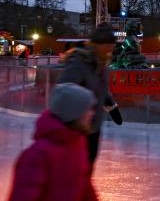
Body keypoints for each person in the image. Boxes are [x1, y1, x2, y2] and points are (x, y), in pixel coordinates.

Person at [9, 83, 98, 201]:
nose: (92, 113)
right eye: (87, 110)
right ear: (73, 114)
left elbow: (84, 186)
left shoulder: (78, 143)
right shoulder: (38, 155)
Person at [58, 22, 122, 171]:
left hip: (93, 129)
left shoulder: (102, 65)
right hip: (75, 130)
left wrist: (112, 107)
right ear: (96, 45)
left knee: (86, 172)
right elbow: (63, 91)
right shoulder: (78, 63)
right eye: (106, 45)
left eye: (111, 46)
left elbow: (100, 91)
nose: (110, 49)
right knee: (74, 173)